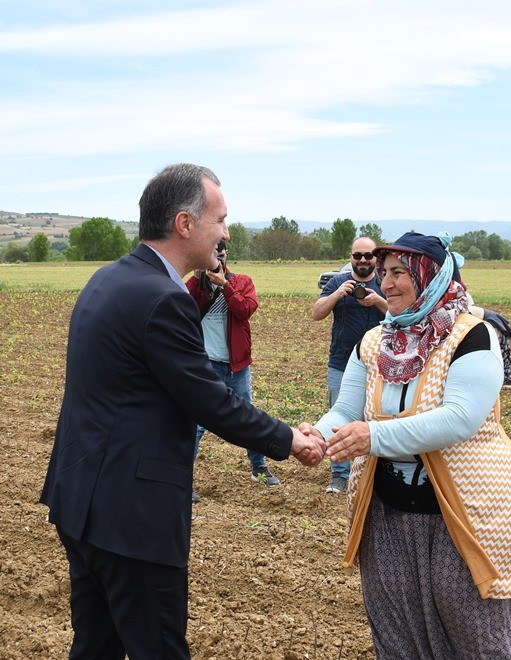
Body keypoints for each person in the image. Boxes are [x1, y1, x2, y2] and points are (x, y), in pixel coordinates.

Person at [39, 163, 325, 659]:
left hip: (80, 499)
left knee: (95, 647)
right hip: (132, 517)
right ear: (185, 224)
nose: (227, 232)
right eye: (220, 219)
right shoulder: (164, 298)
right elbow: (211, 401)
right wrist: (289, 440)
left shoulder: (106, 280)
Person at [308, 231, 511, 658]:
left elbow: (460, 418)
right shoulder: (376, 342)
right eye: (384, 273)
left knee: (476, 633)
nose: (385, 284)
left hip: (463, 513)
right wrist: (317, 434)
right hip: (388, 512)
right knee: (396, 629)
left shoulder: (473, 336)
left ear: (430, 277)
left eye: (398, 273)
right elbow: (347, 408)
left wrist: (375, 436)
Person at [186, 239, 276, 501]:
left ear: (227, 254)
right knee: (196, 425)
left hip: (236, 365)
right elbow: (182, 310)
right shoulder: (196, 285)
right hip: (206, 365)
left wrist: (224, 285)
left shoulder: (242, 281)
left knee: (247, 417)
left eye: (220, 253)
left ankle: (258, 468)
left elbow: (245, 309)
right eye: (211, 253)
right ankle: (183, 480)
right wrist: (198, 281)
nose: (216, 258)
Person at [311, 236, 388, 493]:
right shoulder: (337, 282)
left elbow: (405, 317)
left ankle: (374, 473)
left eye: (368, 255)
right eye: (358, 256)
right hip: (341, 363)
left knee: (380, 417)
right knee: (339, 418)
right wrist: (337, 294)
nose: (363, 260)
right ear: (350, 257)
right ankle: (340, 475)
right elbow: (316, 313)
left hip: (382, 366)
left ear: (376, 257)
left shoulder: (385, 284)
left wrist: (378, 300)